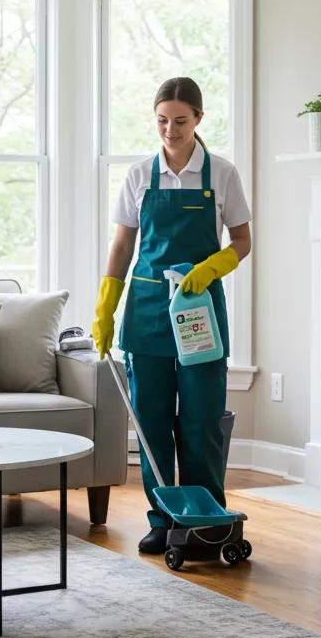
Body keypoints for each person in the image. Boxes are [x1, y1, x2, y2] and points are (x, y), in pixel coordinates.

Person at [92, 76, 252, 554]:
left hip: (199, 308)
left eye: (180, 121)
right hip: (146, 311)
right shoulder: (140, 175)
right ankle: (163, 518)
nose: (170, 130)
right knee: (152, 419)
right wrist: (105, 307)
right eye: (162, 120)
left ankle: (208, 518)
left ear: (199, 119)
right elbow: (123, 245)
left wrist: (211, 267)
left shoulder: (221, 173)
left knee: (202, 417)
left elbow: (242, 240)